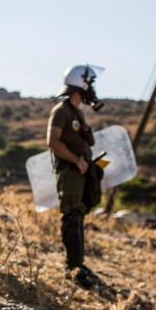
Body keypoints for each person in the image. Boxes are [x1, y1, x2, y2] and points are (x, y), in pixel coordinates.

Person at [46, 64, 104, 289]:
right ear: (81, 83)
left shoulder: (76, 111)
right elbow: (52, 141)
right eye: (90, 83)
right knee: (71, 216)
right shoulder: (61, 111)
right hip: (70, 171)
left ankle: (79, 264)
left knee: (78, 215)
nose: (92, 88)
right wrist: (75, 160)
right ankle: (73, 268)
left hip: (80, 171)